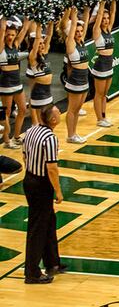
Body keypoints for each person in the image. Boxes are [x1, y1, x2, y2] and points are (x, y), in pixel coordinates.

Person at [22, 104, 66, 284]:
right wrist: (58, 190)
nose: (60, 113)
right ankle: (32, 272)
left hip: (30, 178)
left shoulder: (31, 130)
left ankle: (52, 262)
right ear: (53, 120)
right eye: (58, 112)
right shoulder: (50, 138)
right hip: (41, 184)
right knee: (38, 228)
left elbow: (24, 155)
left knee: (49, 221)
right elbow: (52, 169)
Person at [60, 7, 90, 144]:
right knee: (72, 109)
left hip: (84, 79)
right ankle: (70, 135)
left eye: (80, 31)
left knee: (77, 109)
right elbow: (72, 27)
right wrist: (73, 13)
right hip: (75, 80)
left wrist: (88, 10)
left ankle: (74, 133)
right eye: (76, 31)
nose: (79, 33)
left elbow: (87, 22)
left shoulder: (82, 41)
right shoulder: (70, 43)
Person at [0, 15, 30, 149]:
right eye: (8, 34)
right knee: (6, 113)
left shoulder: (16, 45)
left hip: (17, 82)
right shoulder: (1, 47)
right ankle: (6, 140)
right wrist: (4, 19)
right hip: (5, 84)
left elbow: (24, 31)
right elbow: (1, 32)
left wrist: (28, 19)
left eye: (12, 34)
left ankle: (16, 136)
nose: (10, 37)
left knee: (23, 109)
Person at [90, 0, 116, 127]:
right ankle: (99, 118)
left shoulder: (109, 29)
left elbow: (114, 12)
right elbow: (99, 15)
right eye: (104, 18)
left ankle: (104, 115)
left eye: (107, 18)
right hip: (101, 65)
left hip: (109, 64)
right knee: (99, 94)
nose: (105, 20)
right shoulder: (97, 31)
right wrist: (102, 3)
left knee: (105, 94)